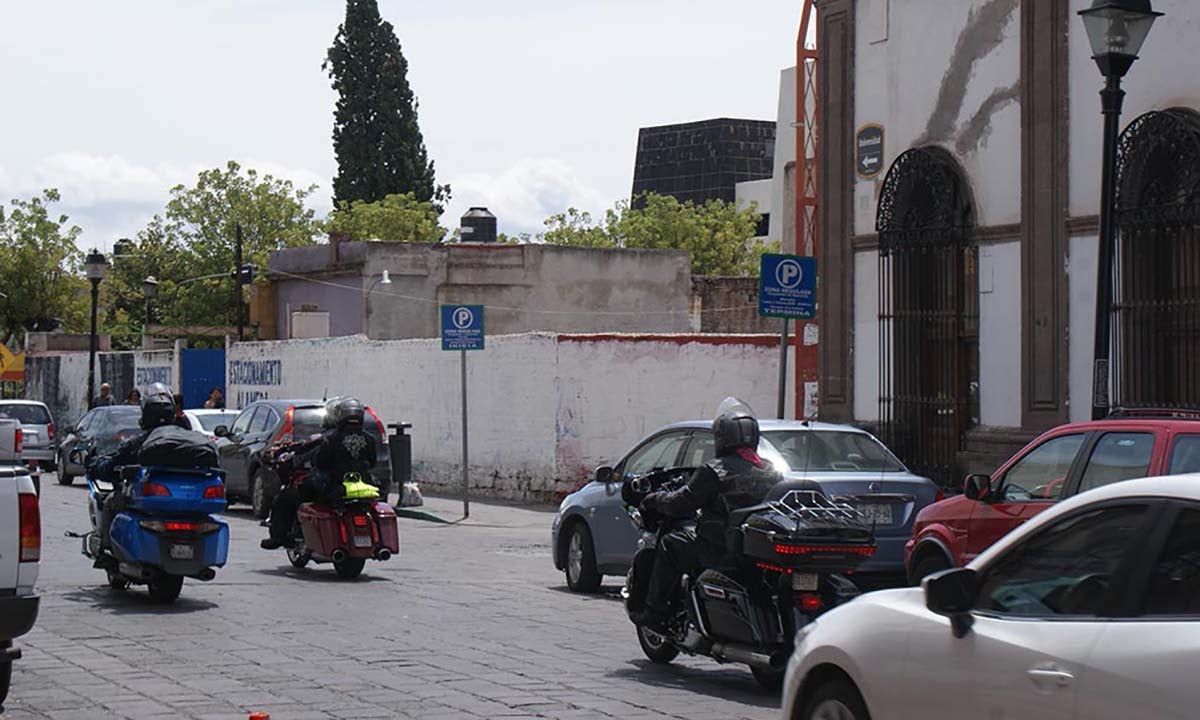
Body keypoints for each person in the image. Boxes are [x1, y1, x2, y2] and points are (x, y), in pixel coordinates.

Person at [631, 398, 781, 627]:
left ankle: (655, 610)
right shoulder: (771, 470)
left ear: (723, 437)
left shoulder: (714, 470)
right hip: (754, 551)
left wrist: (653, 499)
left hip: (718, 549)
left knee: (670, 544)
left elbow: (680, 503)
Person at [261, 396, 378, 550]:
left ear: (341, 416)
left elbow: (320, 462)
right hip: (361, 486)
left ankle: (278, 537)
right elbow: (373, 462)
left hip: (332, 486)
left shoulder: (332, 439)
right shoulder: (370, 439)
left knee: (286, 497)